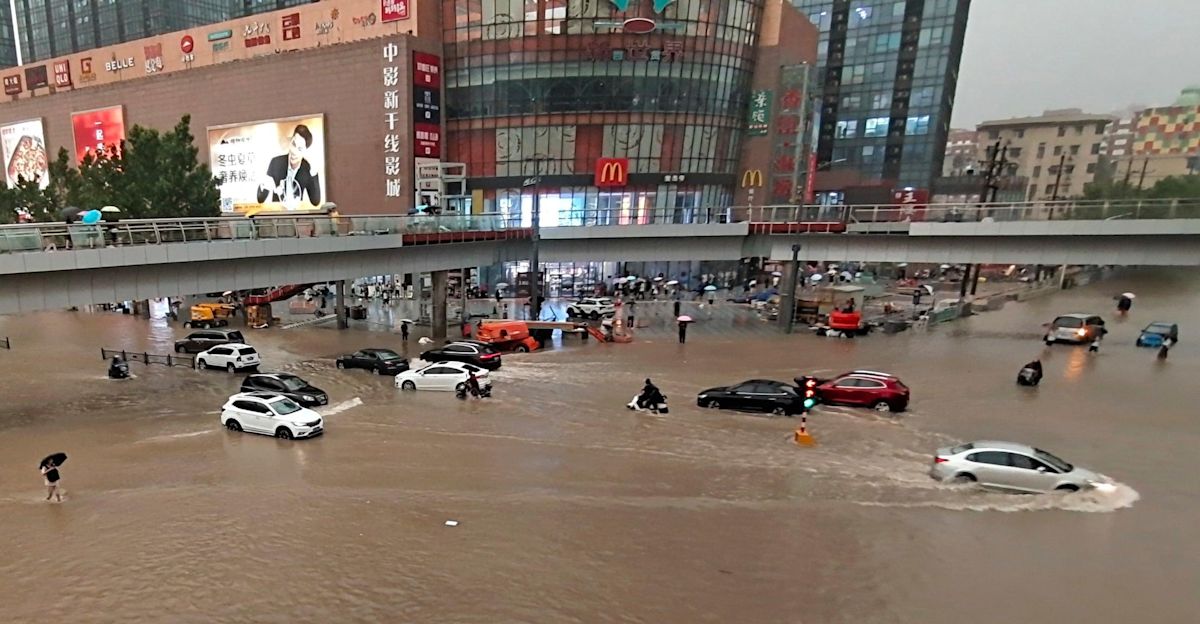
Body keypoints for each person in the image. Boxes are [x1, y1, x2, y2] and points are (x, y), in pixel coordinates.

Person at [256, 124, 322, 210]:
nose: (294, 151)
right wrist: (263, 184)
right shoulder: (276, 162)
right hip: (277, 215)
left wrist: (314, 171)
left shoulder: (307, 168)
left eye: (300, 149)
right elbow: (260, 199)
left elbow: (315, 201)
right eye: (294, 144)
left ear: (305, 151)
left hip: (296, 216)